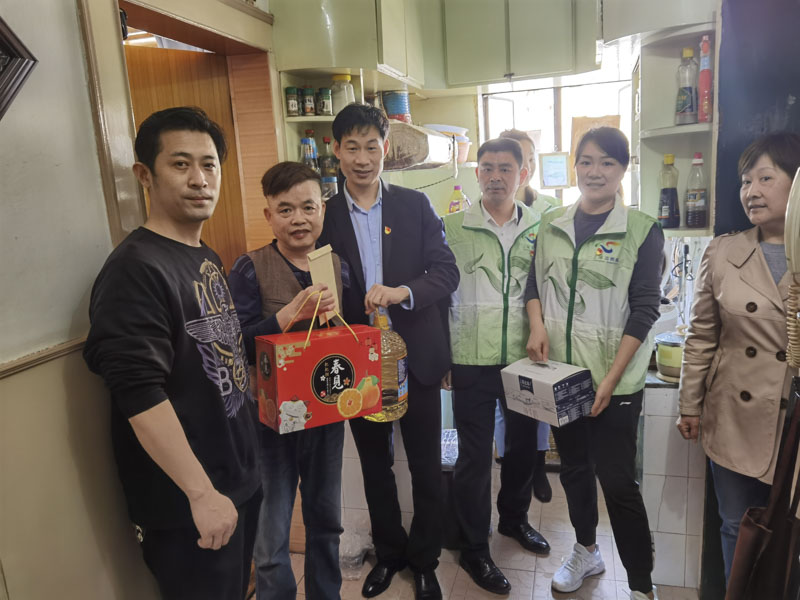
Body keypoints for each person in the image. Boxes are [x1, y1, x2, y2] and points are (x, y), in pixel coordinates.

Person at [83, 106, 261, 599]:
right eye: (180, 164)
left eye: (209, 165)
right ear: (145, 175)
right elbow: (139, 393)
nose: (199, 179)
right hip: (189, 505)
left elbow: (217, 353)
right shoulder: (135, 269)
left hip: (236, 482)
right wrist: (201, 494)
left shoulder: (204, 255)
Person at [319, 103, 460, 600]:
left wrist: (403, 292)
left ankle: (424, 560)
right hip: (357, 363)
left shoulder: (414, 206)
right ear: (336, 151)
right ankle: (390, 554)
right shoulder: (324, 215)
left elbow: (447, 272)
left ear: (386, 149)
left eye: (371, 147)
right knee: (376, 467)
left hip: (415, 358)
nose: (362, 158)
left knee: (425, 466)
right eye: (351, 147)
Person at [525, 127, 663, 600]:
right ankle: (586, 551)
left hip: (615, 383)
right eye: (586, 161)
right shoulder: (552, 224)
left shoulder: (641, 229)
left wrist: (611, 379)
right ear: (575, 167)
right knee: (575, 471)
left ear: (623, 169)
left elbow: (645, 308)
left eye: (607, 162)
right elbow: (533, 286)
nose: (595, 171)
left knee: (618, 482)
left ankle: (641, 584)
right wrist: (537, 325)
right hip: (564, 378)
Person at [677, 132, 800, 584]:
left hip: (793, 424)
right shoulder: (724, 251)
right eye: (746, 181)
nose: (752, 191)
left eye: (766, 178)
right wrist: (690, 405)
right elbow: (701, 336)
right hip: (733, 415)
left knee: (791, 534)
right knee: (735, 524)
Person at [229, 162, 349, 599]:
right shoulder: (249, 268)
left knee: (326, 522)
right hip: (268, 425)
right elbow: (235, 346)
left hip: (325, 416)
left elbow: (345, 342)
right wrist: (286, 316)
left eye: (308, 207)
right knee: (271, 533)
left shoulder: (336, 265)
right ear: (269, 215)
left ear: (322, 210)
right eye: (285, 210)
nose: (298, 219)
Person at [443, 137, 552, 596]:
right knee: (474, 457)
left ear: (523, 174)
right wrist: (442, 356)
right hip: (469, 356)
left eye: (505, 168)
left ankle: (514, 519)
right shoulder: (452, 227)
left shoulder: (542, 227)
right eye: (486, 168)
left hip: (524, 358)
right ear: (477, 174)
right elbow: (440, 294)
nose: (495, 177)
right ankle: (474, 546)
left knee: (523, 447)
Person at [493, 128, 564, 503]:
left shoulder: (549, 210)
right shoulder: (489, 206)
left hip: (538, 320)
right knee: (503, 410)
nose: (527, 166)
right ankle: (511, 466)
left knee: (535, 402)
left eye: (530, 159)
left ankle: (536, 464)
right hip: (497, 328)